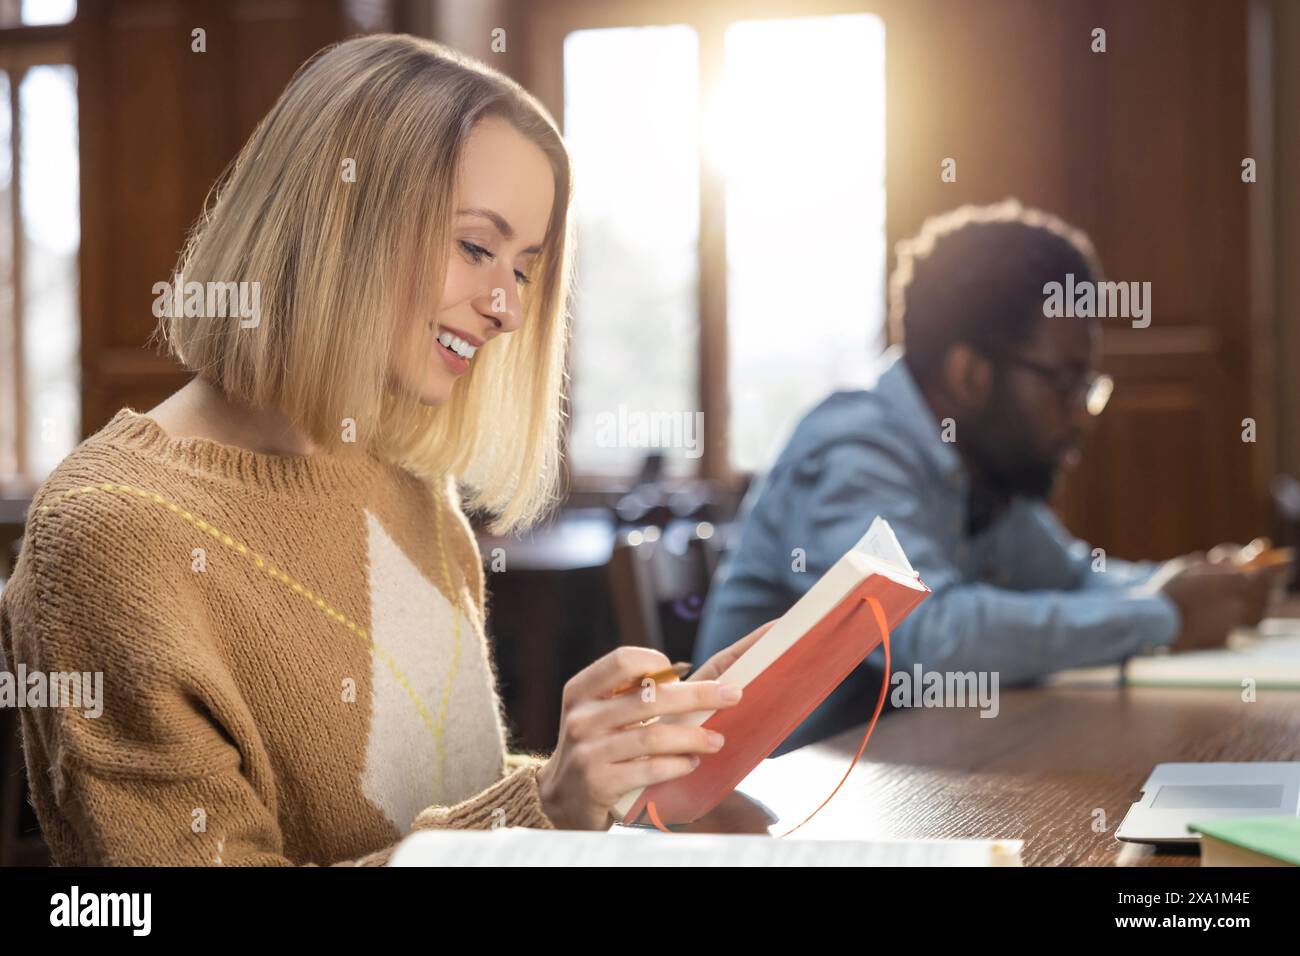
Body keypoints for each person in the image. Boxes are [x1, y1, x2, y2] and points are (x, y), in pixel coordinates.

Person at [0, 34, 762, 865]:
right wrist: (542, 804)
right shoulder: (110, 534)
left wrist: (606, 770)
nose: (508, 307)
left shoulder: (411, 485)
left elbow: (423, 800)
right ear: (341, 220)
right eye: (476, 247)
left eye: (527, 268)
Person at [694, 200, 1276, 754]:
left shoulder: (981, 466)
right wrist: (1165, 615)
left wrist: (1202, 585)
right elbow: (928, 634)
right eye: (1066, 383)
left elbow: (1074, 579)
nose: (1081, 415)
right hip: (773, 816)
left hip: (908, 787)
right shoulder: (853, 449)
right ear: (970, 373)